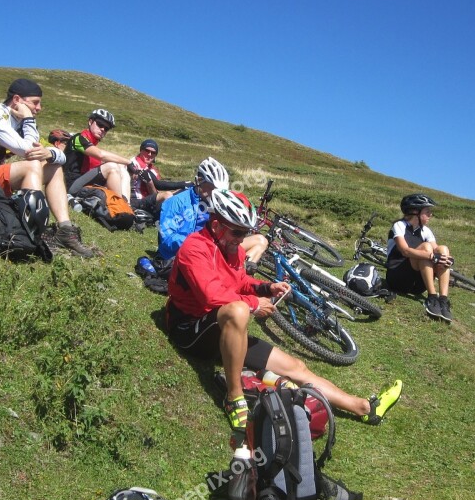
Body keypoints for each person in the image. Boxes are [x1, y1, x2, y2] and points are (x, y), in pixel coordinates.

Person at [166, 189, 403, 431]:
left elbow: (240, 283)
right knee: (239, 310)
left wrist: (268, 287)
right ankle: (233, 397)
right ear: (216, 225)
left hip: (224, 326)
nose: (242, 239)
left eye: (246, 232)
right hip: (189, 328)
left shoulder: (233, 249)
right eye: (237, 232)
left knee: (296, 367)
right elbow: (212, 295)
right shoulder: (194, 248)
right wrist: (254, 304)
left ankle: (363, 407)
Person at [0, 78, 95, 258]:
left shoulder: (19, 123)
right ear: (17, 100)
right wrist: (28, 119)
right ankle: (35, 234)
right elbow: (28, 150)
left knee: (53, 167)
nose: (39, 108)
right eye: (35, 102)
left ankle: (65, 231)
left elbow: (59, 156)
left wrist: (50, 154)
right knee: (32, 166)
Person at [157, 157, 268, 269]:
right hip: (184, 254)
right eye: (213, 188)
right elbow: (167, 239)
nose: (217, 194)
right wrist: (202, 243)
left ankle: (239, 273)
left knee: (260, 240)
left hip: (212, 247)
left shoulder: (216, 203)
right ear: (199, 181)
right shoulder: (176, 202)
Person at [386, 193, 454, 321]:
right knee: (426, 248)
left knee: (443, 249)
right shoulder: (399, 226)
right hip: (398, 278)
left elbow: (437, 251)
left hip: (417, 285)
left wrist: (446, 258)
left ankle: (443, 300)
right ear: (415, 212)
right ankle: (432, 297)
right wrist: (431, 256)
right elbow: (405, 251)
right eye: (427, 211)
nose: (430, 215)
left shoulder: (426, 231)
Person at [62, 108, 134, 197]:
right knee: (112, 167)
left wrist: (125, 165)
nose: (103, 129)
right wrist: (129, 162)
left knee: (121, 168)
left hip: (84, 182)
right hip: (71, 185)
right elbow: (100, 155)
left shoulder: (92, 145)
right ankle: (119, 205)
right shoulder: (78, 139)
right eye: (100, 124)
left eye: (106, 128)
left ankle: (126, 205)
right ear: (90, 122)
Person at [129, 139, 192, 219]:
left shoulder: (153, 170)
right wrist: (183, 184)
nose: (149, 154)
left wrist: (150, 183)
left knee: (181, 193)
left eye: (153, 153)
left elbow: (154, 192)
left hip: (148, 200)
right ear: (141, 150)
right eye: (147, 150)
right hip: (135, 200)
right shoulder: (134, 163)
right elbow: (159, 184)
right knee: (168, 195)